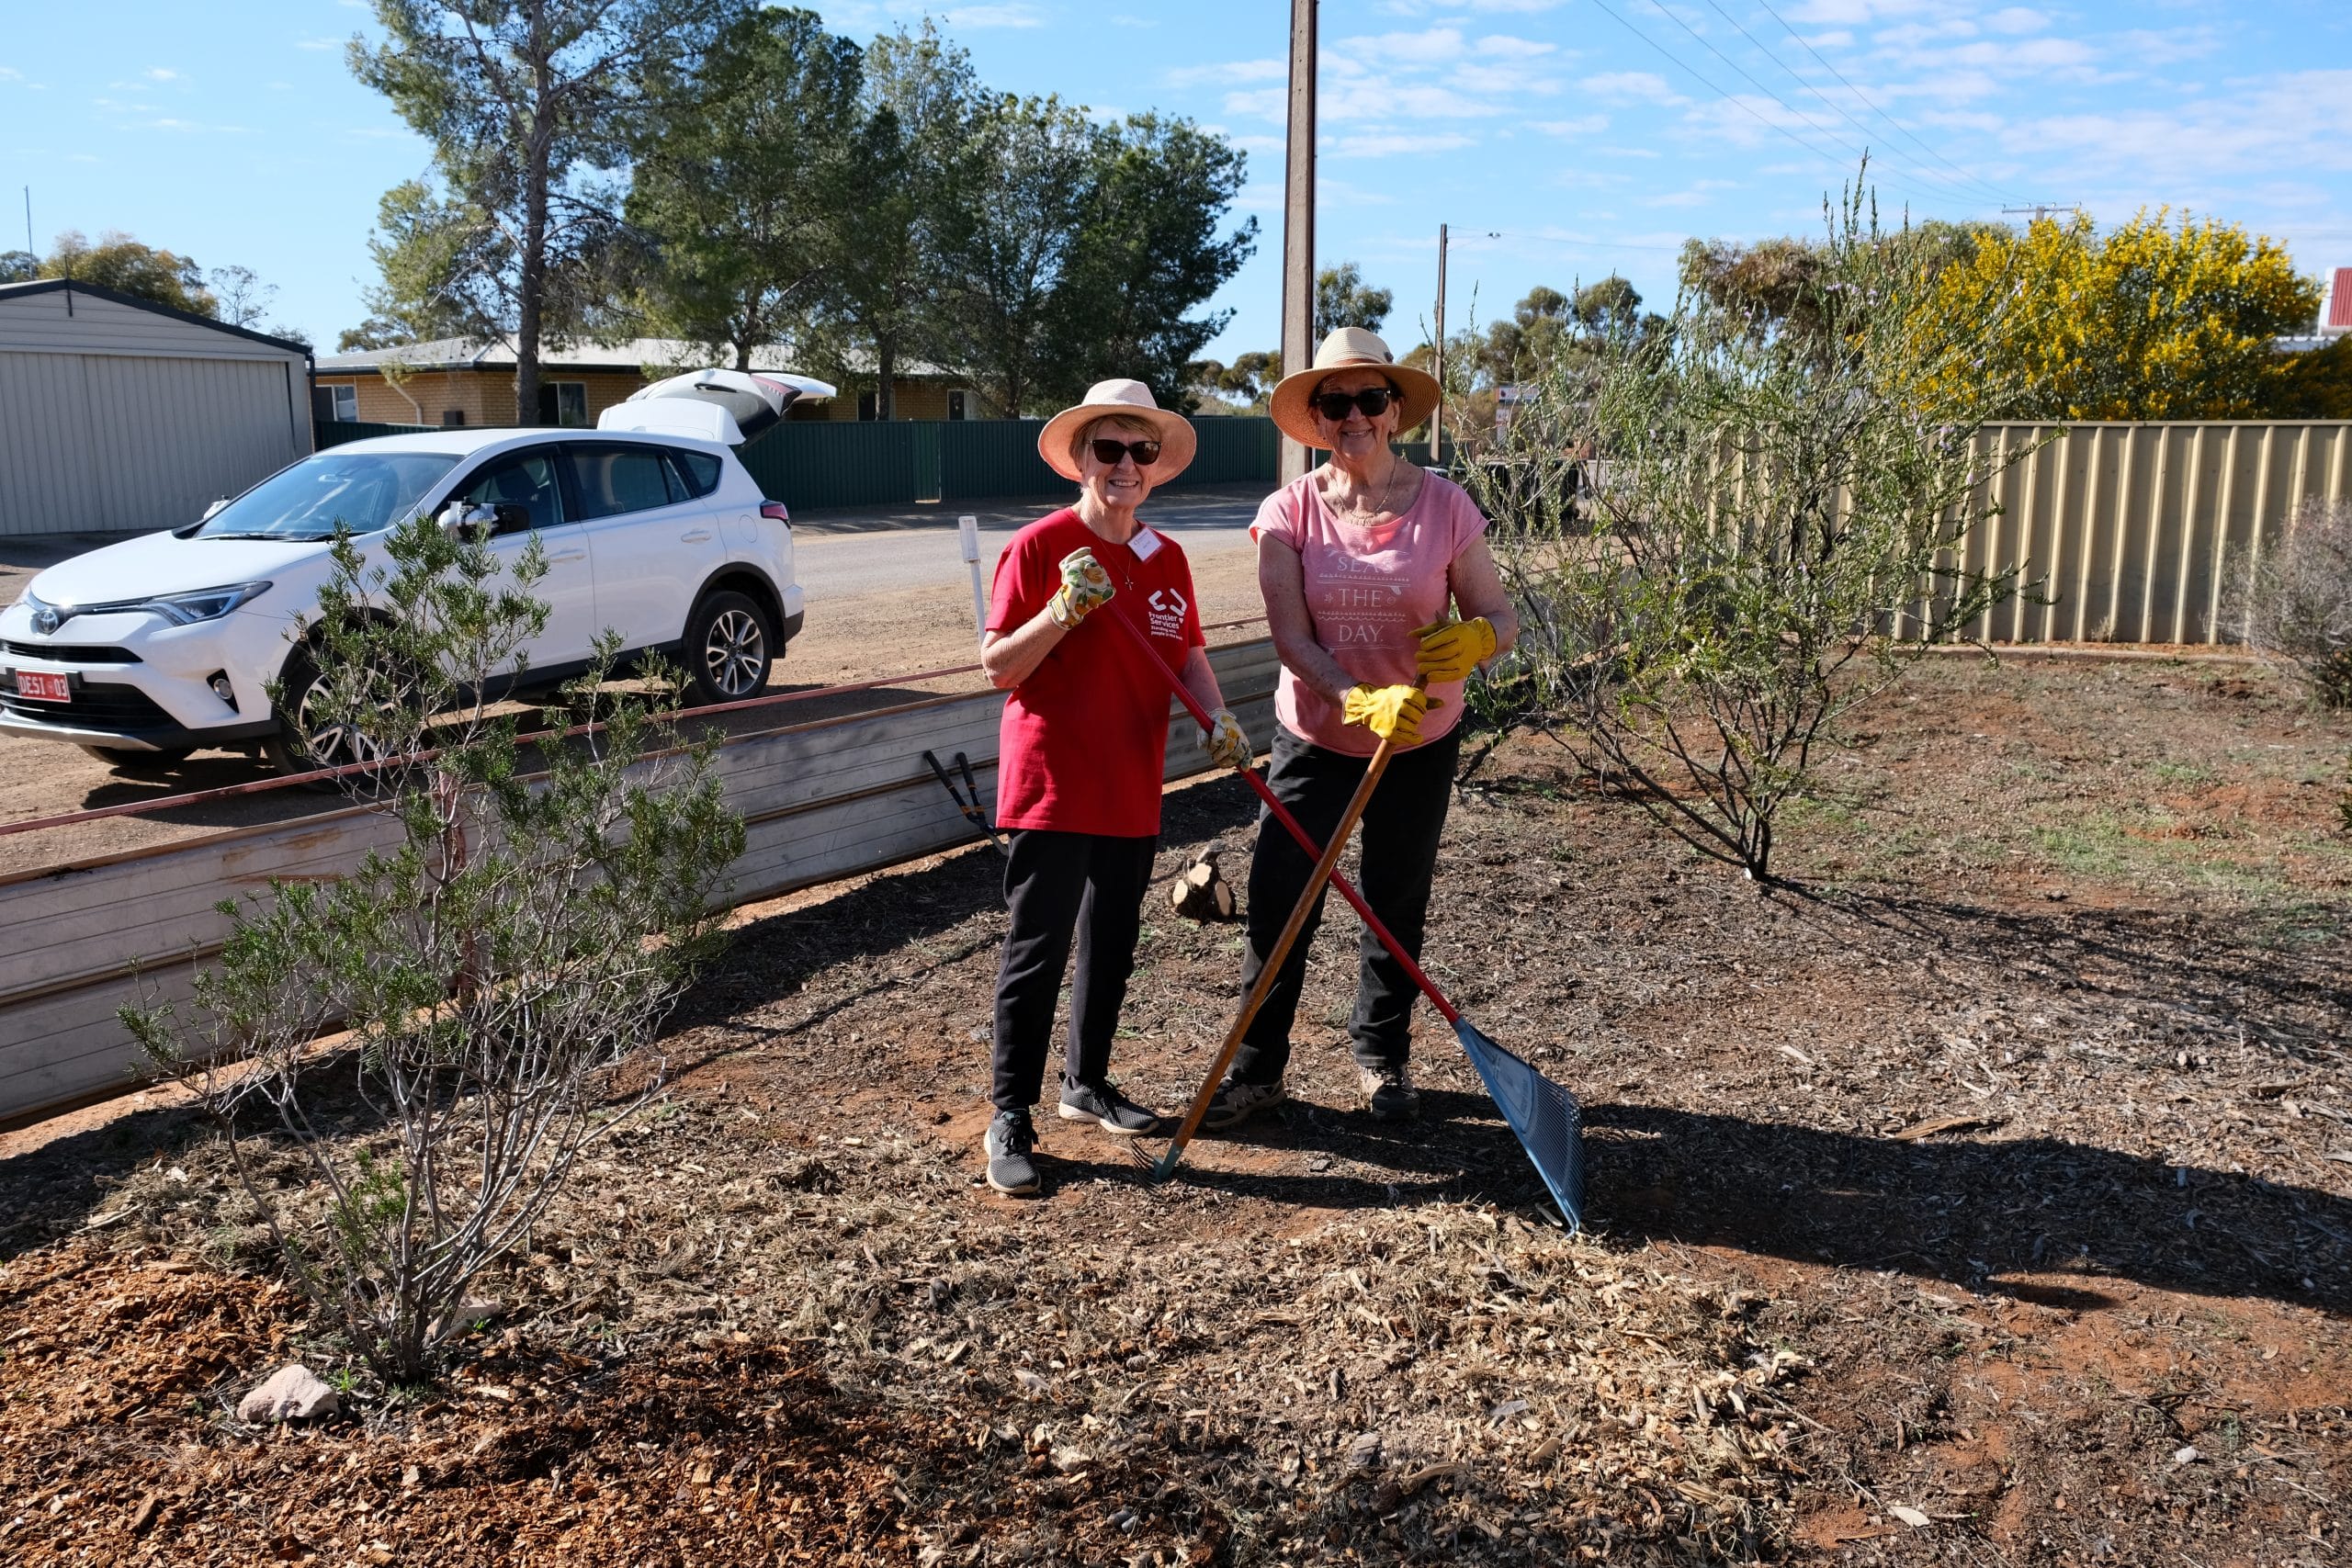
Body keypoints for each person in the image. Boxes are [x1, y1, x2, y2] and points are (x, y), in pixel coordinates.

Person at [1205, 328, 1519, 1128]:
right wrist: (1356, 698)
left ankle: (1383, 1056)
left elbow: (1499, 613)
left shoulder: (1447, 506)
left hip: (1419, 739)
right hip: (1314, 736)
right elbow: (1291, 637)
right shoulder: (1289, 512)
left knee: (1394, 898)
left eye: (1370, 399)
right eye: (1335, 401)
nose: (1355, 415)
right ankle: (1256, 1069)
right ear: (1315, 417)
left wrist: (1480, 639)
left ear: (1393, 411)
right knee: (1283, 898)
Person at [978, 378, 1254, 1196]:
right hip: (1054, 786)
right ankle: (1010, 1113)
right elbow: (997, 665)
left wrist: (1218, 716)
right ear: (1081, 459)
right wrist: (1064, 609)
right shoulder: (1039, 548)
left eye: (1141, 450)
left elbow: (1188, 654)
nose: (1126, 464)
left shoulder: (1167, 560)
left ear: (1155, 464)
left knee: (1113, 945)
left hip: (1133, 785)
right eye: (1110, 449)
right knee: (1038, 951)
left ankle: (1085, 1083)